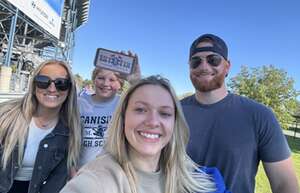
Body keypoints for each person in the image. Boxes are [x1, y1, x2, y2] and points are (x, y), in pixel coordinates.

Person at [60, 75, 231, 193]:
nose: (152, 121)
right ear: (123, 118)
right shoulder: (96, 181)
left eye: (165, 113)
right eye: (141, 109)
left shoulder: (207, 182)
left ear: (175, 123)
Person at [181, 34, 299, 193]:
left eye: (213, 59)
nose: (204, 66)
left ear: (227, 66)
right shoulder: (172, 112)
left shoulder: (260, 116)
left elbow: (284, 183)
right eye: (196, 61)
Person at [0, 60, 81, 193]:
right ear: (34, 85)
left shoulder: (72, 128)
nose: (52, 89)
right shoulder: (6, 114)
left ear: (69, 89)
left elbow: (57, 178)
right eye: (43, 81)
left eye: (61, 83)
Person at [78, 52, 141, 167]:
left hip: (110, 172)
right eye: (101, 78)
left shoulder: (123, 104)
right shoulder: (80, 102)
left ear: (120, 85)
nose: (106, 83)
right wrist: (71, 166)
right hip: (80, 171)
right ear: (94, 80)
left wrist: (136, 81)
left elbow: (146, 103)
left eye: (112, 80)